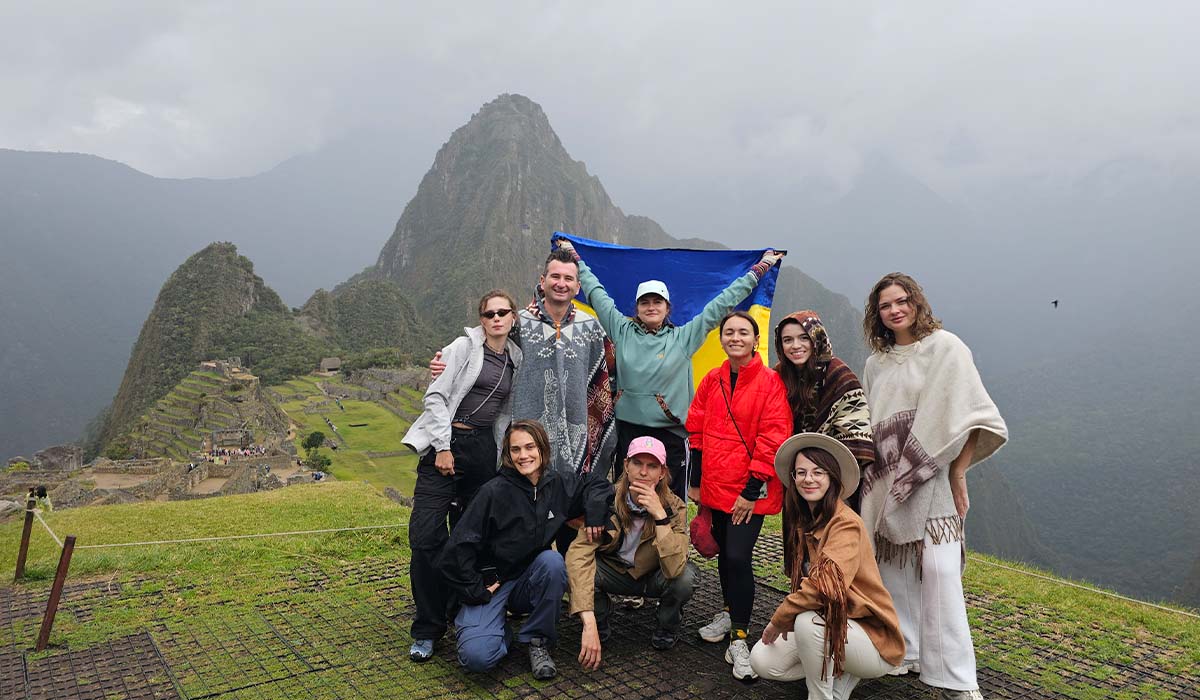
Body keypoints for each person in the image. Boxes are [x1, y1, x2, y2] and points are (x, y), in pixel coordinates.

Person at [859, 273, 1008, 700]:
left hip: (933, 477)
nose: (895, 310)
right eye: (886, 305)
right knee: (894, 569)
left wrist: (959, 472)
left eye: (902, 301)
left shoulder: (946, 347)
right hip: (885, 479)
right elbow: (870, 422)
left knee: (941, 573)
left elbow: (973, 416)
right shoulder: (876, 363)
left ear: (916, 302)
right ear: (878, 313)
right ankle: (909, 650)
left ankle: (960, 681)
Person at [559, 237, 782, 501]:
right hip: (629, 431)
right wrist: (573, 255)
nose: (651, 307)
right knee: (628, 500)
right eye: (645, 302)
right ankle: (628, 543)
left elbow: (723, 302)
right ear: (637, 308)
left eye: (657, 302)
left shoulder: (684, 338)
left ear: (667, 307)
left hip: (670, 434)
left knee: (670, 503)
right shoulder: (621, 330)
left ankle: (669, 542)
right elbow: (595, 292)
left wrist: (761, 269)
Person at [432, 248, 617, 554]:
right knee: (524, 524)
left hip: (574, 442)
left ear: (577, 286)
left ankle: (570, 591)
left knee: (571, 529)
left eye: (568, 278)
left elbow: (605, 380)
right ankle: (527, 591)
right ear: (542, 280)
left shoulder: (591, 328)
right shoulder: (519, 322)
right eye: (555, 276)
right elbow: (481, 344)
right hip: (525, 445)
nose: (561, 283)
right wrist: (444, 361)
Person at [440, 419, 614, 680]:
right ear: (508, 454)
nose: (524, 456)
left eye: (530, 447)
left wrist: (596, 514)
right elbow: (456, 549)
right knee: (476, 659)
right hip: (492, 584)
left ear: (542, 449)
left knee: (553, 563)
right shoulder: (492, 492)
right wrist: (474, 588)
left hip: (529, 579)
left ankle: (537, 640)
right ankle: (500, 631)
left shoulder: (556, 484)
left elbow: (596, 484)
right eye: (516, 449)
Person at [401, 290, 522, 662]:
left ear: (513, 318)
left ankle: (463, 607)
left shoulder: (516, 356)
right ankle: (427, 626)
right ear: (481, 319)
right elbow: (435, 397)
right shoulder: (462, 348)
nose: (496, 318)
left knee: (472, 535)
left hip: (483, 449)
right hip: (447, 441)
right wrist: (442, 446)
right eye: (489, 314)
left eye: (503, 313)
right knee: (426, 536)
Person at [749, 433, 904, 699]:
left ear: (832, 477)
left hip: (871, 637)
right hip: (831, 625)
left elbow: (824, 588)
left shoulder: (845, 523)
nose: (808, 479)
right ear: (794, 479)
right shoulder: (805, 522)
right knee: (762, 661)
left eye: (818, 472)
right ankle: (832, 669)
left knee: (806, 622)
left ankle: (823, 694)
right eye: (801, 472)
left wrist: (780, 618)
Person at [685, 311, 791, 680]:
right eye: (729, 332)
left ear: (754, 339)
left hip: (749, 490)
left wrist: (749, 492)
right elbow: (695, 430)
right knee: (722, 556)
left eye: (743, 332)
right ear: (722, 339)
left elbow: (773, 437)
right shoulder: (712, 380)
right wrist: (696, 482)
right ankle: (730, 613)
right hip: (714, 486)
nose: (735, 337)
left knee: (737, 555)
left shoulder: (770, 383)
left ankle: (741, 638)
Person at [566, 436, 698, 670]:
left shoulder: (674, 506)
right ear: (626, 466)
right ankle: (599, 619)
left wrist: (660, 517)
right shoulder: (605, 499)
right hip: (615, 571)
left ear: (662, 473)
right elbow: (578, 555)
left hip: (653, 576)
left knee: (685, 578)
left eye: (652, 466)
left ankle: (667, 625)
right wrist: (588, 622)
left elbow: (675, 566)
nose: (644, 472)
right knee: (574, 569)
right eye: (637, 463)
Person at [773, 309, 874, 584]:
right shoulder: (779, 377)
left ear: (816, 337)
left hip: (832, 483)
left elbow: (857, 436)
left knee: (833, 551)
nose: (795, 346)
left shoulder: (839, 376)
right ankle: (799, 606)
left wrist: (824, 472)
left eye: (803, 338)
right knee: (799, 547)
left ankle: (836, 610)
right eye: (787, 340)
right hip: (796, 479)